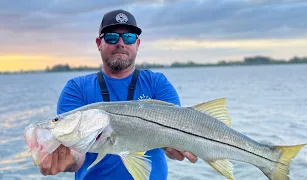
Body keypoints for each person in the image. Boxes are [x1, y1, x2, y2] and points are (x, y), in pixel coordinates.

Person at [39, 9, 198, 180]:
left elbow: (178, 135)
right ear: (99, 43)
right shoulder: (76, 88)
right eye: (111, 37)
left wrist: (177, 149)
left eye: (129, 37)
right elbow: (76, 156)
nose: (120, 43)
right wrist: (66, 160)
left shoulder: (156, 83)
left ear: (137, 44)